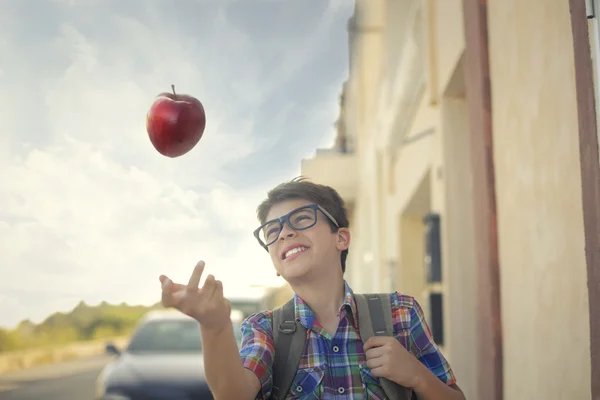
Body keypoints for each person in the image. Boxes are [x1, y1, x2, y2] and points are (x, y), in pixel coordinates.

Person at [159, 177, 465, 399]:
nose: (285, 233)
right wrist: (214, 326)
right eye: (272, 230)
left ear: (341, 238)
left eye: (302, 219)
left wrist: (417, 376)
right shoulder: (264, 329)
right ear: (275, 262)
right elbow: (234, 394)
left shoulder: (401, 313)